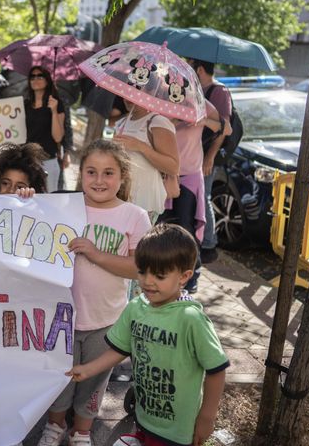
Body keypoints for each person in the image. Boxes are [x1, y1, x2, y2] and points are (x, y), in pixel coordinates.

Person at [67, 224, 229, 446]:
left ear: (184, 277)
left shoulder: (191, 318)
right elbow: (119, 350)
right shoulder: (136, 307)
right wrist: (87, 370)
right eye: (142, 271)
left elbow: (216, 370)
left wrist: (207, 417)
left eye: (159, 275)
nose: (147, 281)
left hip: (178, 431)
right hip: (144, 418)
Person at [38, 139, 151, 446]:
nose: (99, 180)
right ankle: (55, 426)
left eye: (108, 173)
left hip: (106, 320)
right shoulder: (62, 206)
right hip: (59, 316)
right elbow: (26, 215)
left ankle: (82, 431)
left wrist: (96, 254)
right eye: (91, 172)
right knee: (59, 378)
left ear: (122, 176)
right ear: (81, 174)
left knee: (94, 382)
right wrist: (23, 197)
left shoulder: (135, 216)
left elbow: (140, 268)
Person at [158, 100, 222, 294]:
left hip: (189, 175)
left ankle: (192, 276)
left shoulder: (200, 103)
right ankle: (162, 273)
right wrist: (178, 120)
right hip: (162, 173)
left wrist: (202, 121)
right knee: (159, 226)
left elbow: (222, 128)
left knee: (187, 229)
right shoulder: (160, 99)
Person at [189, 58, 234, 264]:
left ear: (199, 69)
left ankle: (209, 243)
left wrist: (210, 157)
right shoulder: (197, 89)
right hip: (194, 152)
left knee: (204, 196)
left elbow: (224, 129)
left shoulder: (219, 92)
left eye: (190, 66)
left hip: (208, 155)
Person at [112, 101, 180, 223]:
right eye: (128, 90)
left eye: (137, 89)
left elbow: (173, 167)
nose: (128, 98)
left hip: (145, 201)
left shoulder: (157, 122)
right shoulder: (122, 123)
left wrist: (141, 147)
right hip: (121, 197)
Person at [23, 66, 66, 193]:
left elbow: (58, 137)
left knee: (48, 200)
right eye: (32, 76)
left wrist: (53, 110)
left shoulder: (56, 104)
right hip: (27, 161)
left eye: (40, 76)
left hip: (48, 162)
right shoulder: (24, 105)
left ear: (47, 80)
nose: (35, 79)